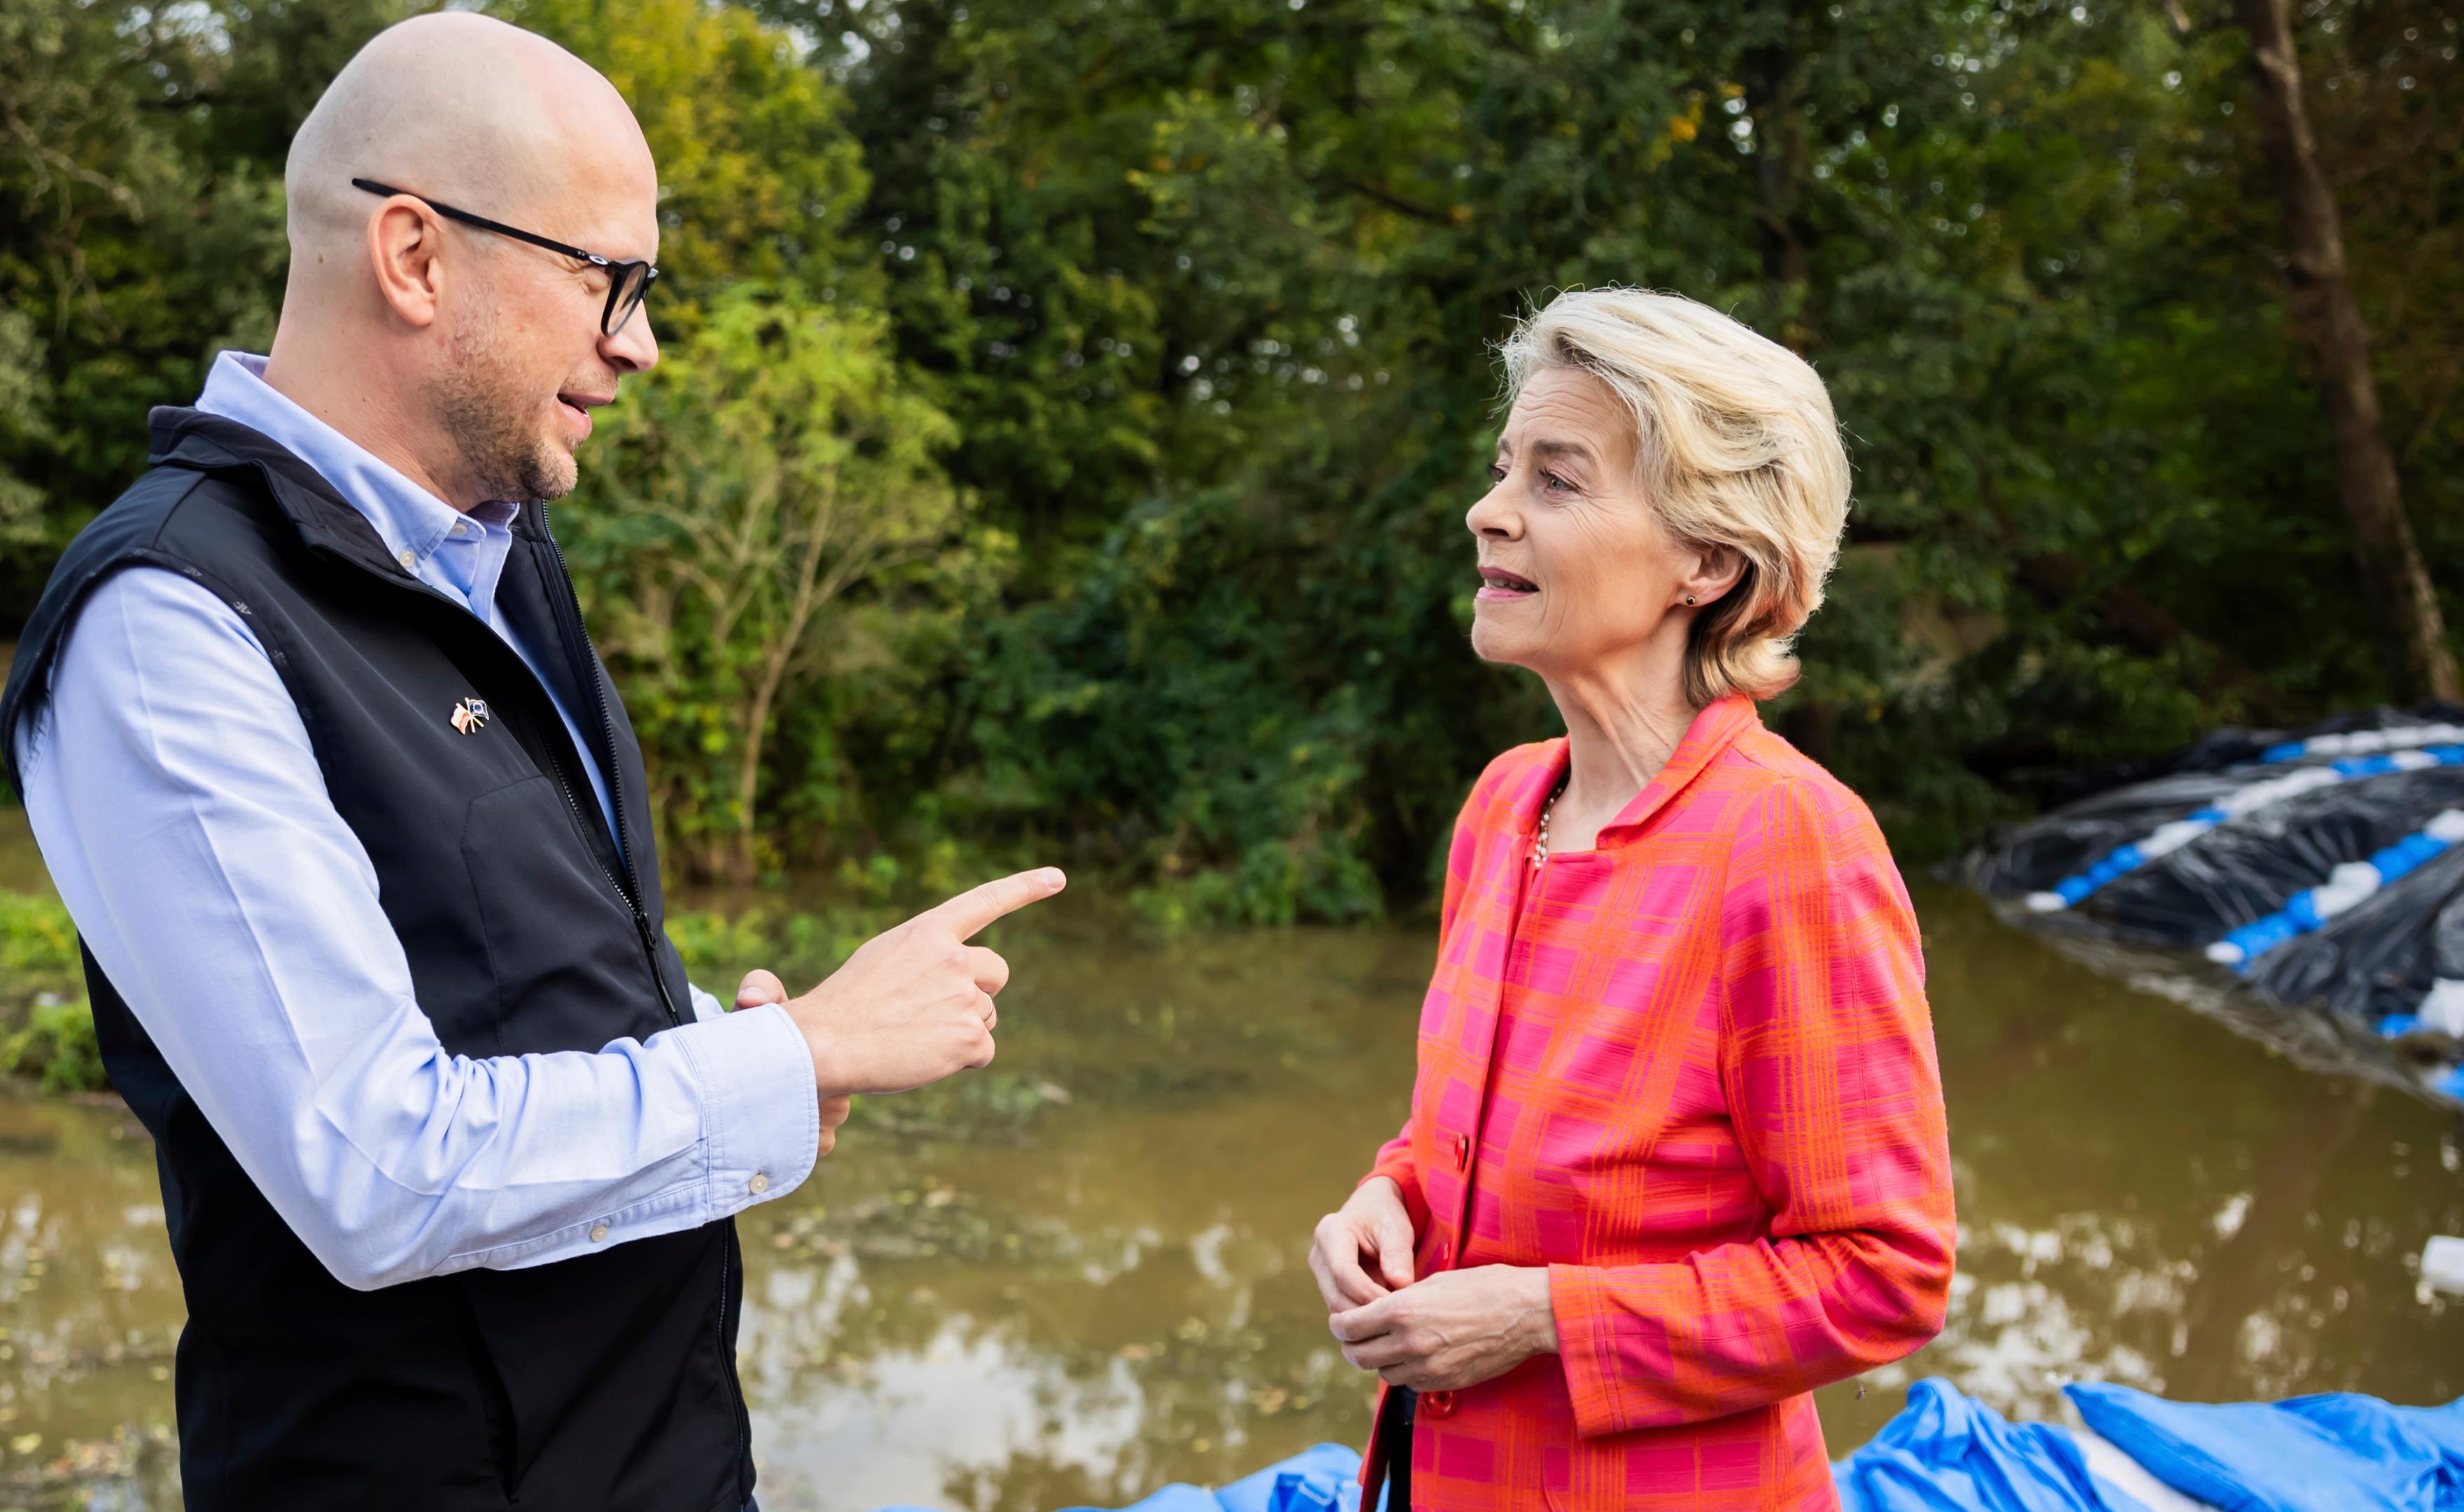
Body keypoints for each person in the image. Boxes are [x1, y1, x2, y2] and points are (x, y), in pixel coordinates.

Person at [0, 14, 1059, 1510]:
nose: (639, 340)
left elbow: (503, 969)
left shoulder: (492, 557)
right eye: (603, 280)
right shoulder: (172, 623)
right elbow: (373, 1166)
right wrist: (791, 1056)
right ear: (418, 257)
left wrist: (729, 1046)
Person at [1305, 289, 1955, 1511]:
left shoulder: (1788, 845)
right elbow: (1466, 1134)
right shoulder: (1504, 808)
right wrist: (1385, 1194)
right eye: (1506, 469)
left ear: (1707, 561)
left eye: (1557, 481)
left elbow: (1884, 1272)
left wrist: (1545, 1317)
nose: (1487, 510)